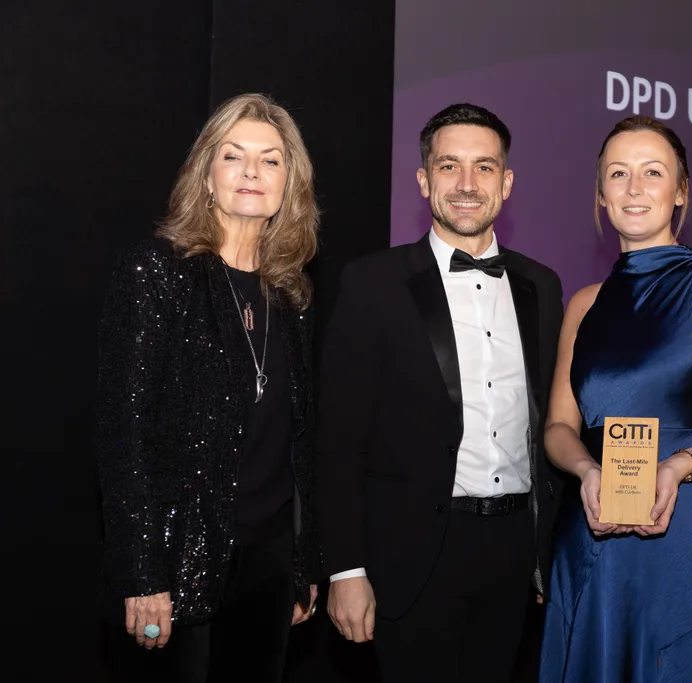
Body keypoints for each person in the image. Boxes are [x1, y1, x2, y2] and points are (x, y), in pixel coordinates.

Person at [317, 103, 565, 683]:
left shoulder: (542, 286)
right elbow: (338, 440)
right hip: (412, 553)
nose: (466, 184)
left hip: (514, 553)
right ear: (424, 180)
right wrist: (345, 569)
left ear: (506, 183)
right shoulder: (373, 282)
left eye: (484, 167)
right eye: (449, 166)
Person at [538, 115, 692, 682]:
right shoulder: (582, 305)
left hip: (683, 520)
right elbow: (557, 427)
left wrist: (682, 464)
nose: (633, 188)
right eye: (617, 174)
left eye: (653, 173)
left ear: (680, 193)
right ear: (600, 196)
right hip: (595, 523)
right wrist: (584, 470)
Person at [96, 93, 321, 683]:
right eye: (233, 155)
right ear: (207, 173)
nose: (252, 172)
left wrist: (301, 564)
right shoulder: (159, 272)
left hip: (270, 561)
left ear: (289, 184)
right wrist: (142, 573)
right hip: (177, 555)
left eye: (271, 160)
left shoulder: (292, 295)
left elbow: (300, 442)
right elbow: (124, 434)